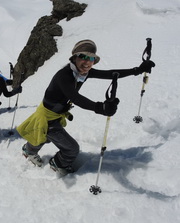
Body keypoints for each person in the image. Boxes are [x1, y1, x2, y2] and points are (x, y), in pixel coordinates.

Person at [16, 39, 155, 176]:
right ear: (74, 58)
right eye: (83, 57)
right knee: (71, 149)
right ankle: (58, 164)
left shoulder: (81, 72)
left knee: (43, 136)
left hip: (54, 114)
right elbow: (76, 98)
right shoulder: (64, 76)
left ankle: (29, 150)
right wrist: (100, 108)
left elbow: (111, 74)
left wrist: (137, 70)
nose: (88, 62)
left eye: (92, 58)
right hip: (47, 118)